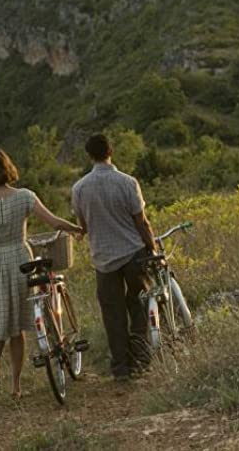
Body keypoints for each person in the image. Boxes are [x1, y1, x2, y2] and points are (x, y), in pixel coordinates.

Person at [0, 145, 84, 399]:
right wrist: (76, 229)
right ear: (7, 167)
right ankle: (16, 387)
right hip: (21, 259)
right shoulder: (24, 197)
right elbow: (53, 222)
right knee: (17, 326)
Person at [71, 133, 156, 381]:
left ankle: (120, 368)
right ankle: (141, 359)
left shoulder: (79, 188)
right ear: (111, 151)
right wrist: (152, 247)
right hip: (133, 253)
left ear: (89, 156)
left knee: (113, 313)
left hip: (103, 259)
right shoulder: (128, 182)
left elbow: (83, 224)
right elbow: (141, 221)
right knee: (139, 305)